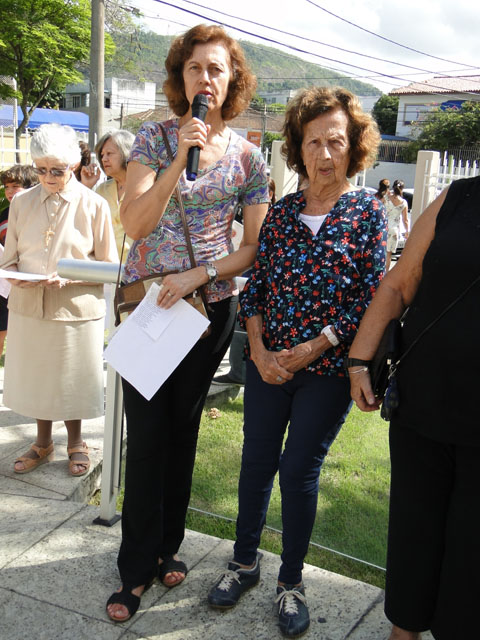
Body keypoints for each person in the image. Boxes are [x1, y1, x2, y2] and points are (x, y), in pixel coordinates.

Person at [207, 86, 387, 638]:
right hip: (269, 367)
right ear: (297, 147)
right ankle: (244, 564)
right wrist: (259, 351)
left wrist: (313, 347)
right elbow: (257, 285)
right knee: (256, 461)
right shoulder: (282, 213)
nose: (324, 154)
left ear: (354, 146)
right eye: (313, 142)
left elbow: (370, 297)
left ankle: (291, 582)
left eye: (336, 141)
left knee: (298, 470)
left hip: (326, 372)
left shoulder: (367, 213)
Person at [105, 24, 269, 623]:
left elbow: (252, 247)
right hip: (149, 306)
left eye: (216, 69)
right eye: (195, 67)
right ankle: (134, 569)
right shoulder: (153, 139)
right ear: (181, 75)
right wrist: (180, 157)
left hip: (207, 310)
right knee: (147, 436)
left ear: (232, 80)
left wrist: (200, 274)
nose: (205, 78)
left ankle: (167, 546)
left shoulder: (249, 157)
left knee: (182, 433)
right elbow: (135, 224)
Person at [347, 176, 480, 640]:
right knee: (414, 528)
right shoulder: (459, 197)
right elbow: (399, 284)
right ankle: (403, 630)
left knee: (471, 549)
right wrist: (359, 361)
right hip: (423, 401)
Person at [1, 123, 117, 476]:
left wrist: (70, 277)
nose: (48, 178)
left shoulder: (94, 204)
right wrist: (15, 275)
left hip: (75, 306)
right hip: (28, 306)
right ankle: (42, 443)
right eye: (41, 170)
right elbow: (9, 259)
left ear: (73, 164)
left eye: (57, 170)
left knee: (71, 378)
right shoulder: (21, 202)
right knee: (38, 378)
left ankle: (77, 442)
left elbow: (110, 266)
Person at [213, 177, 277, 386]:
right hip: (247, 271)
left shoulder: (276, 215)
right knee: (243, 322)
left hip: (256, 275)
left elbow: (251, 246)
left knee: (244, 323)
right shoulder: (250, 213)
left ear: (270, 194)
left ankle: (239, 373)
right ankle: (239, 371)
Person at [0, 165, 39, 355]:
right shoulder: (4, 214)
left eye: (15, 186)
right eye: (6, 187)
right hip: (5, 281)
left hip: (29, 280)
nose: (9, 191)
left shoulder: (37, 213)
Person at [81, 130, 135, 260]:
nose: (104, 159)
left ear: (127, 153)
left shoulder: (145, 187)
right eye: (102, 155)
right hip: (106, 267)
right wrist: (86, 187)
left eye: (109, 153)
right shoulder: (102, 190)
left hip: (137, 267)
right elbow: (83, 224)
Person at [385, 179, 409, 270]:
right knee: (388, 254)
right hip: (394, 229)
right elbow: (405, 220)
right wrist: (407, 231)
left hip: (384, 226)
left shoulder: (387, 198)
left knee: (380, 251)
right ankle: (385, 273)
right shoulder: (403, 203)